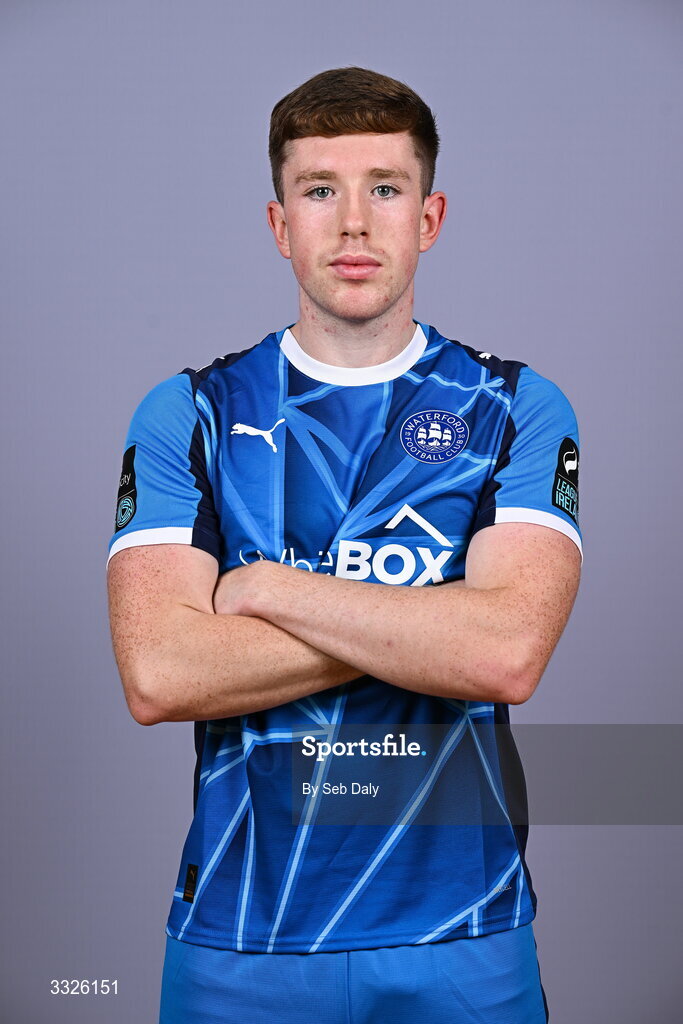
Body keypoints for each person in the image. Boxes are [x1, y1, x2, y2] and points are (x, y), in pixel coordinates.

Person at [106, 65, 582, 1024]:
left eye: (385, 189)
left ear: (430, 217)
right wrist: (429, 623)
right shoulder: (190, 413)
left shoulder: (515, 408)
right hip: (242, 937)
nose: (354, 222)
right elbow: (160, 672)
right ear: (281, 226)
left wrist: (268, 586)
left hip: (465, 932)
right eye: (320, 190)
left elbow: (503, 653)